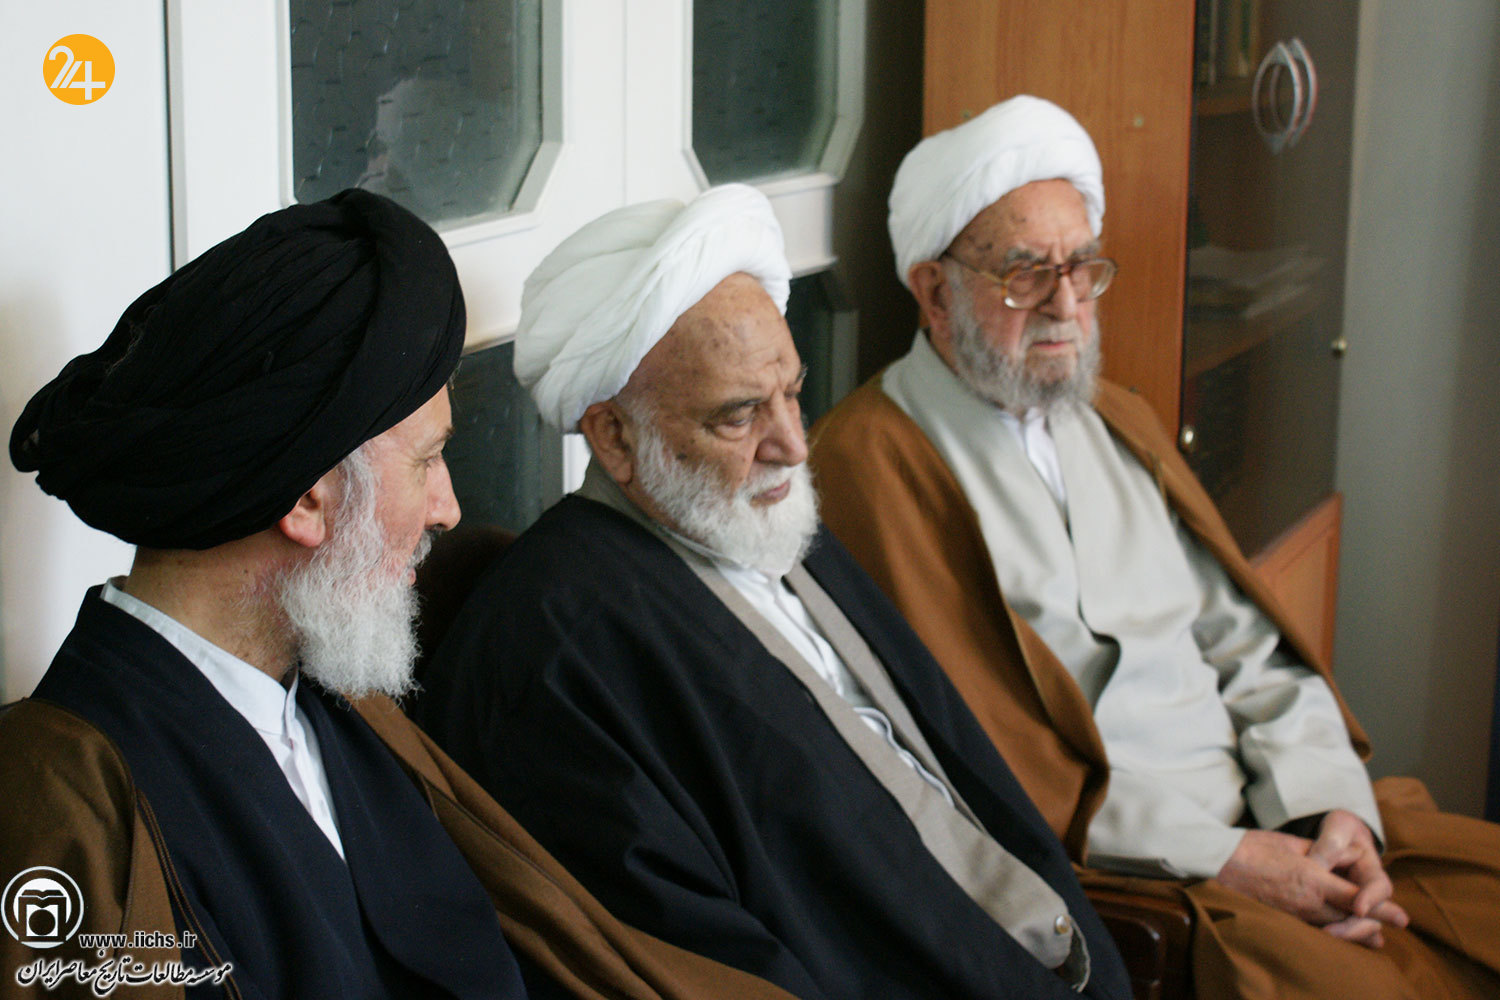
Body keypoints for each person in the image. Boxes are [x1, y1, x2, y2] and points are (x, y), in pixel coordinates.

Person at [0, 190, 797, 1000]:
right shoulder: (61, 804)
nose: (447, 509)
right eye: (426, 462)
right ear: (309, 499)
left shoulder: (343, 709)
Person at [810, 95, 1500, 998]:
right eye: (1025, 273)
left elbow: (1245, 646)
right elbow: (982, 767)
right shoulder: (870, 465)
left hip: (1276, 816)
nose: (1066, 305)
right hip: (1151, 878)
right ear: (935, 291)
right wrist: (1234, 858)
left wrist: (1331, 813)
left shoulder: (1116, 417)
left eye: (1081, 268)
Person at [415, 184, 1132, 1000]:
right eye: (739, 415)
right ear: (613, 435)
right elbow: (697, 961)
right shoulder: (554, 650)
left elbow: (966, 779)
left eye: (792, 392)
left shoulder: (771, 526)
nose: (792, 443)